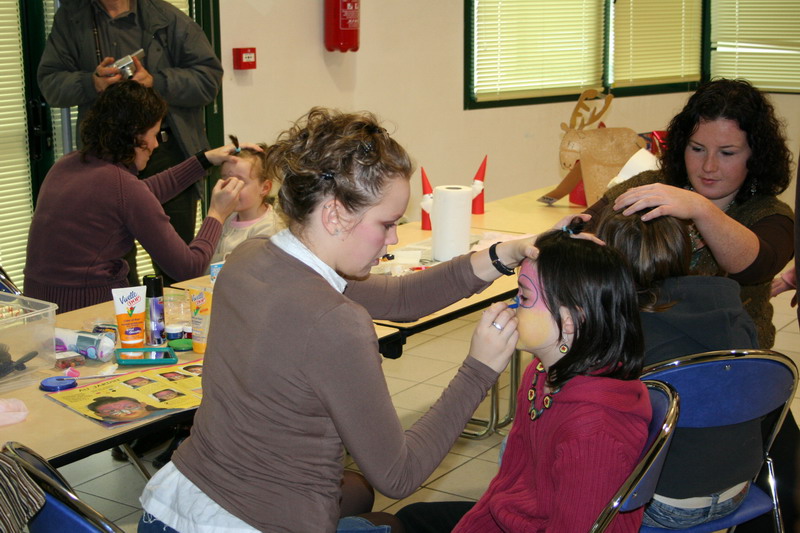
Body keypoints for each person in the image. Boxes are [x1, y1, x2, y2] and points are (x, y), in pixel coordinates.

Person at [138, 107, 551, 533]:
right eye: (387, 224)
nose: (393, 238)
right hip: (250, 524)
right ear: (334, 215)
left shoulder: (248, 258)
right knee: (394, 522)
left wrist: (505, 254)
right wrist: (479, 370)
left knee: (358, 495)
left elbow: (403, 297)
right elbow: (399, 474)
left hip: (170, 505)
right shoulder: (335, 322)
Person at [395, 219, 651, 533]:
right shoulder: (540, 374)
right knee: (410, 517)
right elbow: (509, 481)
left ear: (570, 320)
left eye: (525, 297)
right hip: (516, 517)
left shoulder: (594, 433)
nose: (512, 305)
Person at [585, 78, 794, 350]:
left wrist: (700, 208)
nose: (709, 166)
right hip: (639, 350)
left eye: (727, 153)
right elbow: (585, 228)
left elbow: (754, 267)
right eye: (697, 149)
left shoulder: (773, 216)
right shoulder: (651, 184)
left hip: (728, 359)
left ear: (755, 156)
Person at [37, 0, 224, 286]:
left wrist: (156, 82)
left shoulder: (166, 17)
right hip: (107, 154)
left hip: (167, 148)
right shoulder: (72, 18)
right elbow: (50, 84)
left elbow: (208, 80)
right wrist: (92, 83)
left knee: (175, 268)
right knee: (116, 264)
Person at [596, 210, 762, 528]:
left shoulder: (622, 331)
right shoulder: (732, 309)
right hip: (738, 487)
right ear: (686, 248)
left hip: (660, 501)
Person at [23, 81, 247, 314]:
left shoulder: (67, 164)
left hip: (40, 307)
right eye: (154, 135)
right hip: (87, 311)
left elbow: (140, 194)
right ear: (134, 136)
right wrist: (216, 214)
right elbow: (189, 268)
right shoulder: (123, 187)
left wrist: (204, 160)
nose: (156, 144)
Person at [207, 135, 283, 269]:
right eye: (225, 179)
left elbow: (254, 270)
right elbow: (203, 264)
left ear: (265, 188)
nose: (230, 188)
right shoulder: (224, 219)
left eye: (240, 181)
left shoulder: (270, 229)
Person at [87, 396, 168, 423]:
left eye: (129, 407)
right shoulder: (109, 424)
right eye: (112, 411)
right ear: (100, 414)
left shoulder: (167, 413)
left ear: (142, 404)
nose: (126, 411)